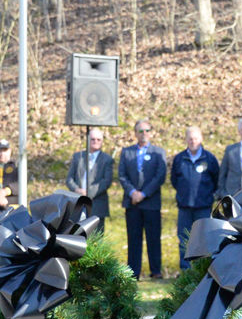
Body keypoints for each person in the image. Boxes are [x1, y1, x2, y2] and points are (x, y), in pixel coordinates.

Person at [119, 119, 166, 279]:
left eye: (146, 130)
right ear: (135, 133)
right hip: (132, 203)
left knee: (153, 238)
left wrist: (143, 194)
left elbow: (160, 177)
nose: (144, 133)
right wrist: (132, 193)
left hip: (151, 202)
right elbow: (122, 176)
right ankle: (133, 272)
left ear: (151, 132)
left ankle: (156, 271)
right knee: (133, 238)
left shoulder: (159, 153)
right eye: (140, 131)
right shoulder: (126, 152)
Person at [170, 127, 219, 270]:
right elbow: (174, 180)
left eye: (196, 138)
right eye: (190, 138)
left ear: (201, 139)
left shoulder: (209, 159)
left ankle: (201, 271)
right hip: (184, 207)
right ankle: (185, 270)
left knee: (203, 239)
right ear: (186, 140)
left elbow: (216, 180)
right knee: (184, 239)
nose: (193, 141)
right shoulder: (179, 159)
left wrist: (208, 196)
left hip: (203, 207)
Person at [65, 128, 114, 220]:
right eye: (92, 139)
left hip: (97, 205)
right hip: (77, 204)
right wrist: (76, 190)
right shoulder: (78, 156)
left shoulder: (107, 159)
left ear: (102, 141)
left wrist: (88, 193)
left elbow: (106, 182)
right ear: (88, 140)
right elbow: (69, 179)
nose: (95, 141)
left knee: (95, 234)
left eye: (98, 139)